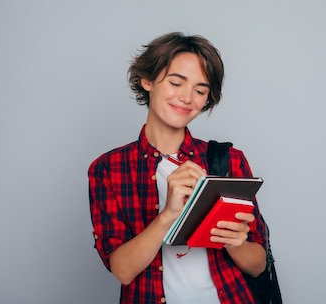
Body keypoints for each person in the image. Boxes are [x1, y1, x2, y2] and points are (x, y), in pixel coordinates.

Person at [88, 32, 269, 304]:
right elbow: (122, 271)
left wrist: (235, 243)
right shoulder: (108, 169)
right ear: (147, 80)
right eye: (176, 83)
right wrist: (169, 214)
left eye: (200, 90)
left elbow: (258, 264)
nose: (187, 98)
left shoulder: (228, 160)